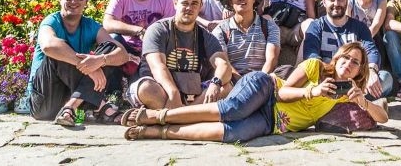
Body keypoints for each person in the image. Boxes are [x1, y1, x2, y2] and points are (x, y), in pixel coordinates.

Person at [121, 42, 386, 142]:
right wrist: (313, 91)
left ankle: (156, 131)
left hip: (273, 123)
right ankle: (158, 115)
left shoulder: (348, 92)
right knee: (230, 110)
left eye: (356, 63)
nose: (349, 64)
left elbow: (383, 118)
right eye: (346, 58)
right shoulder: (315, 66)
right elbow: (283, 93)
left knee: (233, 134)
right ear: (337, 57)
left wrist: (364, 103)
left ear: (360, 69)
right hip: (266, 90)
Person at [29, 0, 130, 125]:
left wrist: (101, 60)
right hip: (44, 102)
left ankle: (70, 107)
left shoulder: (91, 25)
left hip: (72, 95)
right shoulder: (51, 21)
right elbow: (48, 46)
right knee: (57, 51)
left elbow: (122, 54)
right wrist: (89, 68)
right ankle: (102, 108)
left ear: (86, 1)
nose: (74, 0)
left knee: (109, 49)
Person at [128, 0, 233, 110]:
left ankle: (176, 116)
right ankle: (189, 117)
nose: (189, 8)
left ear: (201, 6)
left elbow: (224, 65)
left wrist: (215, 83)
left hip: (193, 93)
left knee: (226, 88)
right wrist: (173, 93)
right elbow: (158, 67)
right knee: (146, 89)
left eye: (194, 3)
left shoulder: (206, 36)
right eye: (185, 3)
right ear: (175, 3)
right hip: (161, 88)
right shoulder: (158, 29)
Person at [301, 0, 388, 98]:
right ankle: (361, 102)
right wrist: (331, 77)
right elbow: (311, 55)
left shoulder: (360, 27)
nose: (336, 3)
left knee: (385, 78)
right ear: (324, 2)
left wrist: (371, 70)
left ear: (347, 1)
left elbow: (371, 50)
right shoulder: (316, 26)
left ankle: (356, 100)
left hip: (353, 82)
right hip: (326, 81)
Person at [214, 0, 279, 76]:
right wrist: (243, 86)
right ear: (230, 1)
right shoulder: (220, 30)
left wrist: (256, 83)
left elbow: (272, 60)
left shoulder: (269, 27)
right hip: (233, 84)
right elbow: (224, 65)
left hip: (262, 80)